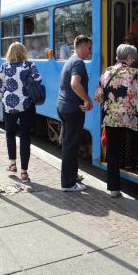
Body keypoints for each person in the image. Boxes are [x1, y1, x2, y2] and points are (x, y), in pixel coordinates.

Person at [95, 44, 138, 197]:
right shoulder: (134, 73)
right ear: (128, 58)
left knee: (113, 151)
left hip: (111, 118)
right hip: (131, 118)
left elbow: (98, 97)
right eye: (133, 58)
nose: (133, 61)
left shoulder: (107, 72)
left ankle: (114, 189)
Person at [0, 42, 43, 182]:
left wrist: (4, 100)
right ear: (23, 52)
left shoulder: (4, 66)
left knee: (10, 133)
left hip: (9, 106)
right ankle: (24, 173)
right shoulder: (29, 65)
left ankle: (12, 164)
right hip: (26, 105)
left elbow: (0, 87)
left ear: (9, 53)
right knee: (25, 138)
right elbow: (38, 80)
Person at [57, 35, 93, 192]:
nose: (90, 52)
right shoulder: (78, 62)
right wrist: (87, 100)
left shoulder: (70, 61)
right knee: (71, 145)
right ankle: (68, 183)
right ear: (83, 45)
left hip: (64, 107)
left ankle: (72, 175)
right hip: (73, 109)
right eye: (89, 48)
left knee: (68, 144)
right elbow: (74, 84)